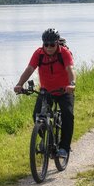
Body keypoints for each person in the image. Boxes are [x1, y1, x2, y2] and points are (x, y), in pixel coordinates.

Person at [14, 28, 76, 158]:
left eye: (52, 44)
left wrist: (72, 84)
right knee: (37, 115)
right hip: (46, 91)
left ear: (57, 43)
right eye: (46, 44)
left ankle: (64, 148)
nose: (49, 47)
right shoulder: (39, 53)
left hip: (64, 90)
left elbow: (70, 69)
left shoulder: (63, 53)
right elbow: (30, 69)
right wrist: (20, 84)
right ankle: (45, 139)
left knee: (68, 116)